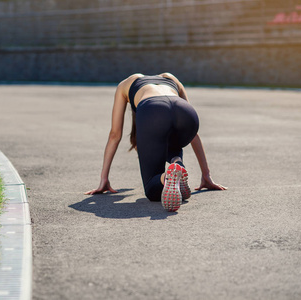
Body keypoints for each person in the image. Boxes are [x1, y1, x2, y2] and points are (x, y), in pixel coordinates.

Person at [85, 73, 227, 212]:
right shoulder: (170, 77)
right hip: (186, 112)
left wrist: (104, 178)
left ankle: (167, 177)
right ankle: (177, 164)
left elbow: (115, 135)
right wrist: (206, 175)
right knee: (173, 136)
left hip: (153, 109)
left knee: (152, 190)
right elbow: (193, 135)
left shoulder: (125, 84)